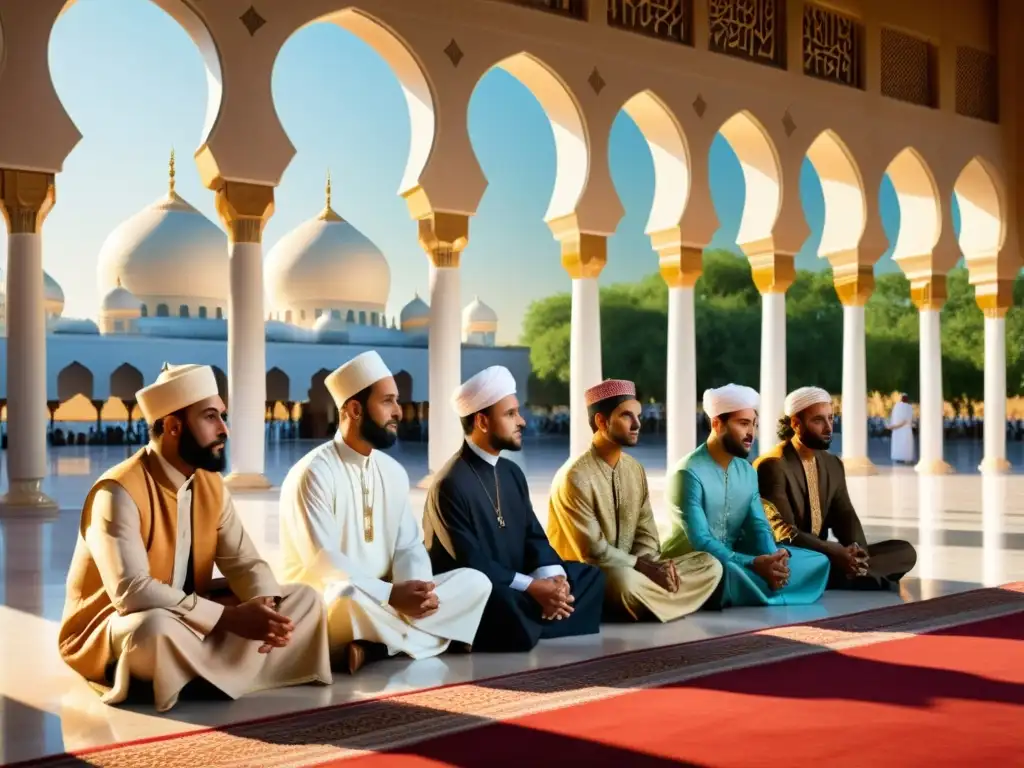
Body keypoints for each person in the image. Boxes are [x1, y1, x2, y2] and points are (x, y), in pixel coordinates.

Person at [59, 363, 331, 712]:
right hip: (117, 625)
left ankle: (194, 673)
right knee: (154, 629)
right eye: (211, 417)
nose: (224, 429)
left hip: (193, 611)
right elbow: (132, 593)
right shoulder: (117, 491)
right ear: (173, 426)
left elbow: (244, 560)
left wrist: (264, 605)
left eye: (223, 416)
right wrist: (232, 620)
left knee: (303, 599)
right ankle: (226, 669)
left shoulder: (210, 484)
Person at [279, 351, 492, 673]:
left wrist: (416, 591)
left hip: (388, 596)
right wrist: (391, 594)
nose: (398, 412)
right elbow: (325, 563)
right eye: (388, 401)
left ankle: (375, 646)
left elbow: (407, 545)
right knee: (345, 597)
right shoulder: (313, 472)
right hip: (333, 597)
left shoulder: (392, 471)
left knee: (476, 582)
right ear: (354, 409)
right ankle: (428, 638)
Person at [423, 366, 605, 651]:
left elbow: (534, 535)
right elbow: (473, 565)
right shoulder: (450, 483)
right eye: (510, 414)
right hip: (485, 588)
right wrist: (533, 588)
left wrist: (551, 579)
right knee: (504, 603)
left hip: (519, 580)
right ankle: (542, 614)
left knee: (589, 577)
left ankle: (542, 611)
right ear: (482, 421)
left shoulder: (511, 472)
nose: (521, 421)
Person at [546, 379, 724, 621]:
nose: (637, 424)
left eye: (638, 415)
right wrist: (644, 568)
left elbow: (647, 534)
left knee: (710, 564)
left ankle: (652, 603)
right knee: (623, 581)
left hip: (637, 570)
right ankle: (667, 601)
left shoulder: (635, 470)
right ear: (601, 421)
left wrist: (655, 567)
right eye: (627, 416)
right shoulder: (575, 476)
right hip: (593, 576)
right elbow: (593, 552)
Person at [661, 384, 829, 607]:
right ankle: (756, 583)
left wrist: (773, 558)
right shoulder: (688, 473)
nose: (751, 433)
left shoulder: (747, 471)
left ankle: (763, 579)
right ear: (716, 424)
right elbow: (701, 540)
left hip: (739, 560)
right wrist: (754, 562)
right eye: (743, 423)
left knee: (818, 561)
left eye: (754, 424)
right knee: (720, 572)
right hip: (698, 562)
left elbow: (758, 525)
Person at [755, 386, 917, 590]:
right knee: (798, 562)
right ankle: (856, 574)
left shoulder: (833, 464)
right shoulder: (773, 465)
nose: (828, 427)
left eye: (830, 418)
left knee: (904, 551)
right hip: (796, 554)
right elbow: (785, 533)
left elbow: (845, 513)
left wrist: (858, 552)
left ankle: (852, 570)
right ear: (795, 424)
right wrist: (834, 551)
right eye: (818, 420)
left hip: (828, 554)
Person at [888, 393, 915, 464]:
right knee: (905, 444)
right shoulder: (909, 407)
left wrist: (893, 426)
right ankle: (904, 457)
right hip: (905, 429)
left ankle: (899, 457)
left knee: (901, 444)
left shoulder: (897, 406)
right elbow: (909, 419)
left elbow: (894, 418)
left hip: (898, 429)